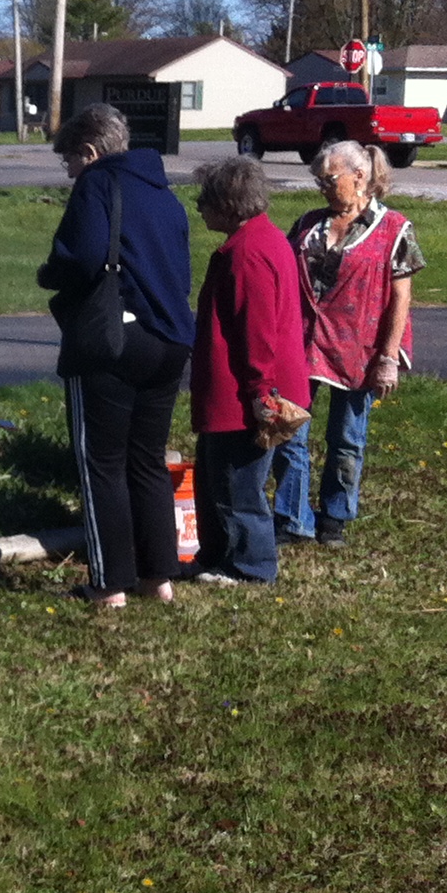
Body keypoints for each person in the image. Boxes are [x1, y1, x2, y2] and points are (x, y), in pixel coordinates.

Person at [35, 105, 196, 608]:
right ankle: (158, 577)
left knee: (100, 461)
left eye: (69, 162)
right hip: (170, 340)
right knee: (146, 460)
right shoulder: (165, 193)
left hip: (113, 339)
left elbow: (80, 256)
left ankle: (108, 584)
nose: (69, 173)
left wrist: (50, 273)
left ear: (90, 151)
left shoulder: (98, 184)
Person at [271, 140, 420, 547]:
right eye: (318, 179)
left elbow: (401, 297)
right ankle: (293, 517)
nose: (322, 186)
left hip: (359, 351)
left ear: (360, 176)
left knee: (347, 438)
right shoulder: (308, 224)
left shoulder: (395, 229)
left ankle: (334, 517)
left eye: (330, 178)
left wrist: (388, 358)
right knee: (289, 430)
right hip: (302, 344)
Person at [186, 158, 311, 585]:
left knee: (238, 485)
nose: (199, 208)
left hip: (245, 394)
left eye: (204, 200)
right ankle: (218, 555)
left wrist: (261, 392)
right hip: (246, 389)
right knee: (214, 478)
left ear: (226, 203)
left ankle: (252, 566)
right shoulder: (263, 240)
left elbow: (257, 331)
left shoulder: (247, 253)